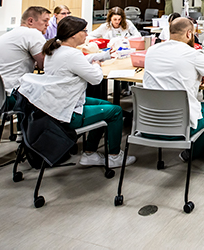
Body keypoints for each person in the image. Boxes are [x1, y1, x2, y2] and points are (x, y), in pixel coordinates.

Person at [32, 16, 135, 168]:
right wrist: (97, 66)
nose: (87, 34)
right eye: (84, 31)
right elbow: (95, 79)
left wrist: (104, 55)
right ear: (73, 34)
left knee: (105, 104)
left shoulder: (55, 50)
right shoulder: (71, 54)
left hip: (58, 103)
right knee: (115, 111)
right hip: (69, 112)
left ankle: (90, 153)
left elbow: (81, 61)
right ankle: (114, 156)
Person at [143, 17, 204, 161]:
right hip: (179, 126)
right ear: (189, 34)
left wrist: (196, 77)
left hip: (147, 123)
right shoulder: (193, 54)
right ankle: (195, 152)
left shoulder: (151, 51)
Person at [0, 6, 50, 95]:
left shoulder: (9, 34)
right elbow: (45, 65)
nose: (48, 25)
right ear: (30, 21)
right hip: (8, 94)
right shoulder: (33, 33)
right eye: (45, 21)